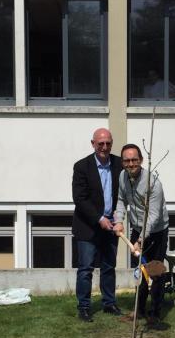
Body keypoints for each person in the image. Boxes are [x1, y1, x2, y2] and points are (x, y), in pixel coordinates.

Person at [113, 143, 169, 324]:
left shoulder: (153, 183)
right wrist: (119, 220)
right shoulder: (123, 177)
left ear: (141, 160)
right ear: (122, 163)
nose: (131, 164)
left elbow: (153, 216)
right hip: (137, 228)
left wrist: (140, 240)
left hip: (156, 232)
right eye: (127, 161)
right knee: (140, 272)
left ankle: (154, 314)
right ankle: (139, 311)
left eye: (134, 160)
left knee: (155, 272)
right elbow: (121, 200)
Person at [71, 128, 124, 322]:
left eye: (108, 143)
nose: (104, 147)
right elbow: (80, 199)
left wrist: (118, 219)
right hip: (88, 227)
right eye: (100, 143)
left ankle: (109, 303)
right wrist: (99, 219)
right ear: (93, 144)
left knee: (109, 267)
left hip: (111, 226)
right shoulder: (81, 167)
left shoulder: (120, 164)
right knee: (86, 269)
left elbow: (123, 195)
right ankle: (84, 307)